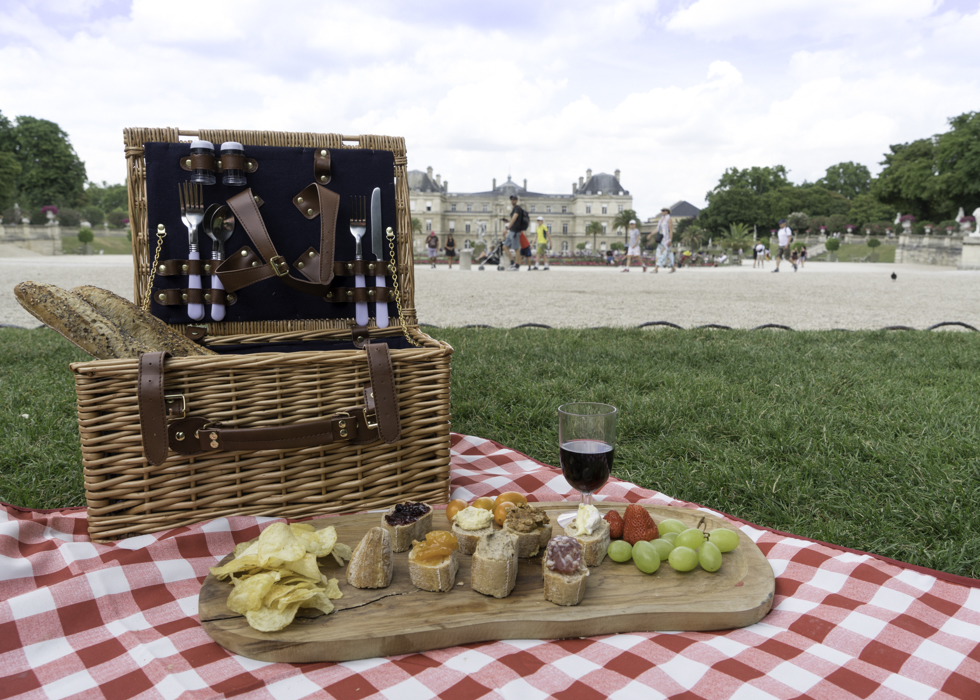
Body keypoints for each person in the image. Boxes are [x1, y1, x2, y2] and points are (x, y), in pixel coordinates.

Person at [501, 195, 525, 271]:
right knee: (504, 247)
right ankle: (512, 262)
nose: (512, 200)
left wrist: (507, 228)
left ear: (517, 200)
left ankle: (517, 266)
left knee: (516, 249)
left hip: (515, 231)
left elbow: (514, 219)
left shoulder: (517, 208)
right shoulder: (514, 209)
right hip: (512, 231)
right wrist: (508, 221)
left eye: (514, 199)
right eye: (511, 199)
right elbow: (514, 220)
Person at [655, 207, 676, 273]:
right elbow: (657, 229)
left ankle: (656, 268)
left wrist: (670, 239)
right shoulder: (661, 220)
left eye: (664, 210)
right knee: (669, 254)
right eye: (662, 210)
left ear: (667, 212)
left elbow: (671, 230)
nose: (662, 211)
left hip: (666, 239)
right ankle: (673, 268)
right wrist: (650, 235)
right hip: (662, 239)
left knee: (661, 253)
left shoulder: (669, 219)